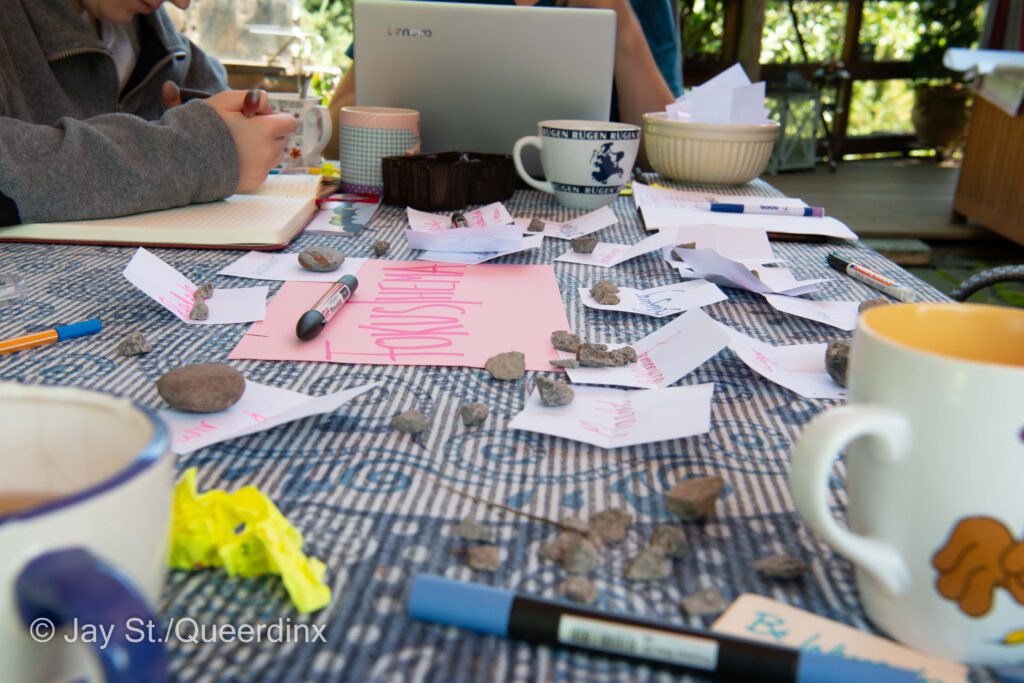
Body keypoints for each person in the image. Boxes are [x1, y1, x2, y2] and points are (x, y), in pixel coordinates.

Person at [0, 0, 298, 227]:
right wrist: (190, 153)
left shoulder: (158, 39)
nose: (182, 4)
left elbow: (223, 114)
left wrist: (231, 132)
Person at [325, 0, 682, 161]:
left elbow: (663, 152)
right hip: (422, 200)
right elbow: (332, 140)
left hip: (589, 217)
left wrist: (621, 21)